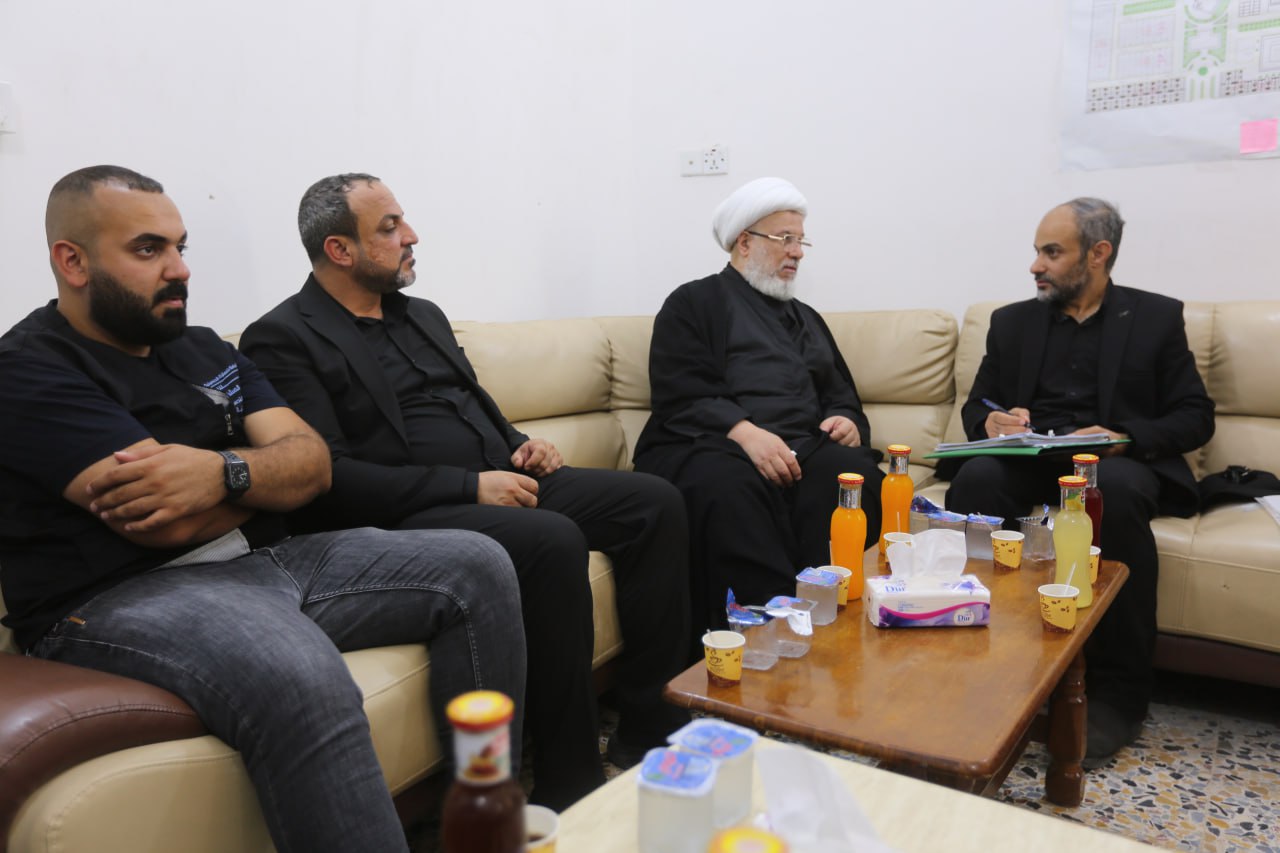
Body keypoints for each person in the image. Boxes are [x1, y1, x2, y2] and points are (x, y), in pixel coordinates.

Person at [0, 166, 527, 853]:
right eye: (148, 249)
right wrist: (262, 480)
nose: (179, 269)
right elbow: (162, 521)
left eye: (180, 246)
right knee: (299, 670)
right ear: (72, 261)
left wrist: (220, 472)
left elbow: (313, 464)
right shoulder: (28, 368)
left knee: (478, 564)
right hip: (119, 595)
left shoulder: (202, 347)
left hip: (270, 557)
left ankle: (474, 827)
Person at [240, 173, 691, 807]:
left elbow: (468, 404)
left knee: (654, 501)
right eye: (390, 227)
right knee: (551, 539)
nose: (411, 235)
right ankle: (568, 781)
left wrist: (520, 442)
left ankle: (649, 727)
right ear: (339, 250)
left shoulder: (421, 314)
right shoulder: (283, 336)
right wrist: (469, 485)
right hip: (405, 513)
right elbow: (331, 476)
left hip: (499, 479)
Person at [943, 197, 1214, 768]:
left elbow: (1195, 416)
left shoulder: (1155, 318)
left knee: (1108, 491)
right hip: (1031, 459)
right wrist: (991, 422)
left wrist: (1122, 437)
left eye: (1051, 252)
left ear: (1098, 254)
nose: (1035, 266)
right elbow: (978, 406)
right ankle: (983, 663)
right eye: (1036, 251)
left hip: (1111, 463)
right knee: (976, 479)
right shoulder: (1012, 323)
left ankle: (1116, 695)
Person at [634, 176, 884, 632]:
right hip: (713, 444)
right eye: (785, 238)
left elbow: (841, 394)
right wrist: (746, 433)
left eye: (801, 241)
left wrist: (844, 419)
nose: (798, 252)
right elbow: (681, 392)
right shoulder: (694, 302)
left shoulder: (806, 318)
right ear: (744, 242)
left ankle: (836, 624)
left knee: (851, 475)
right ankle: (762, 635)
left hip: (802, 448)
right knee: (730, 487)